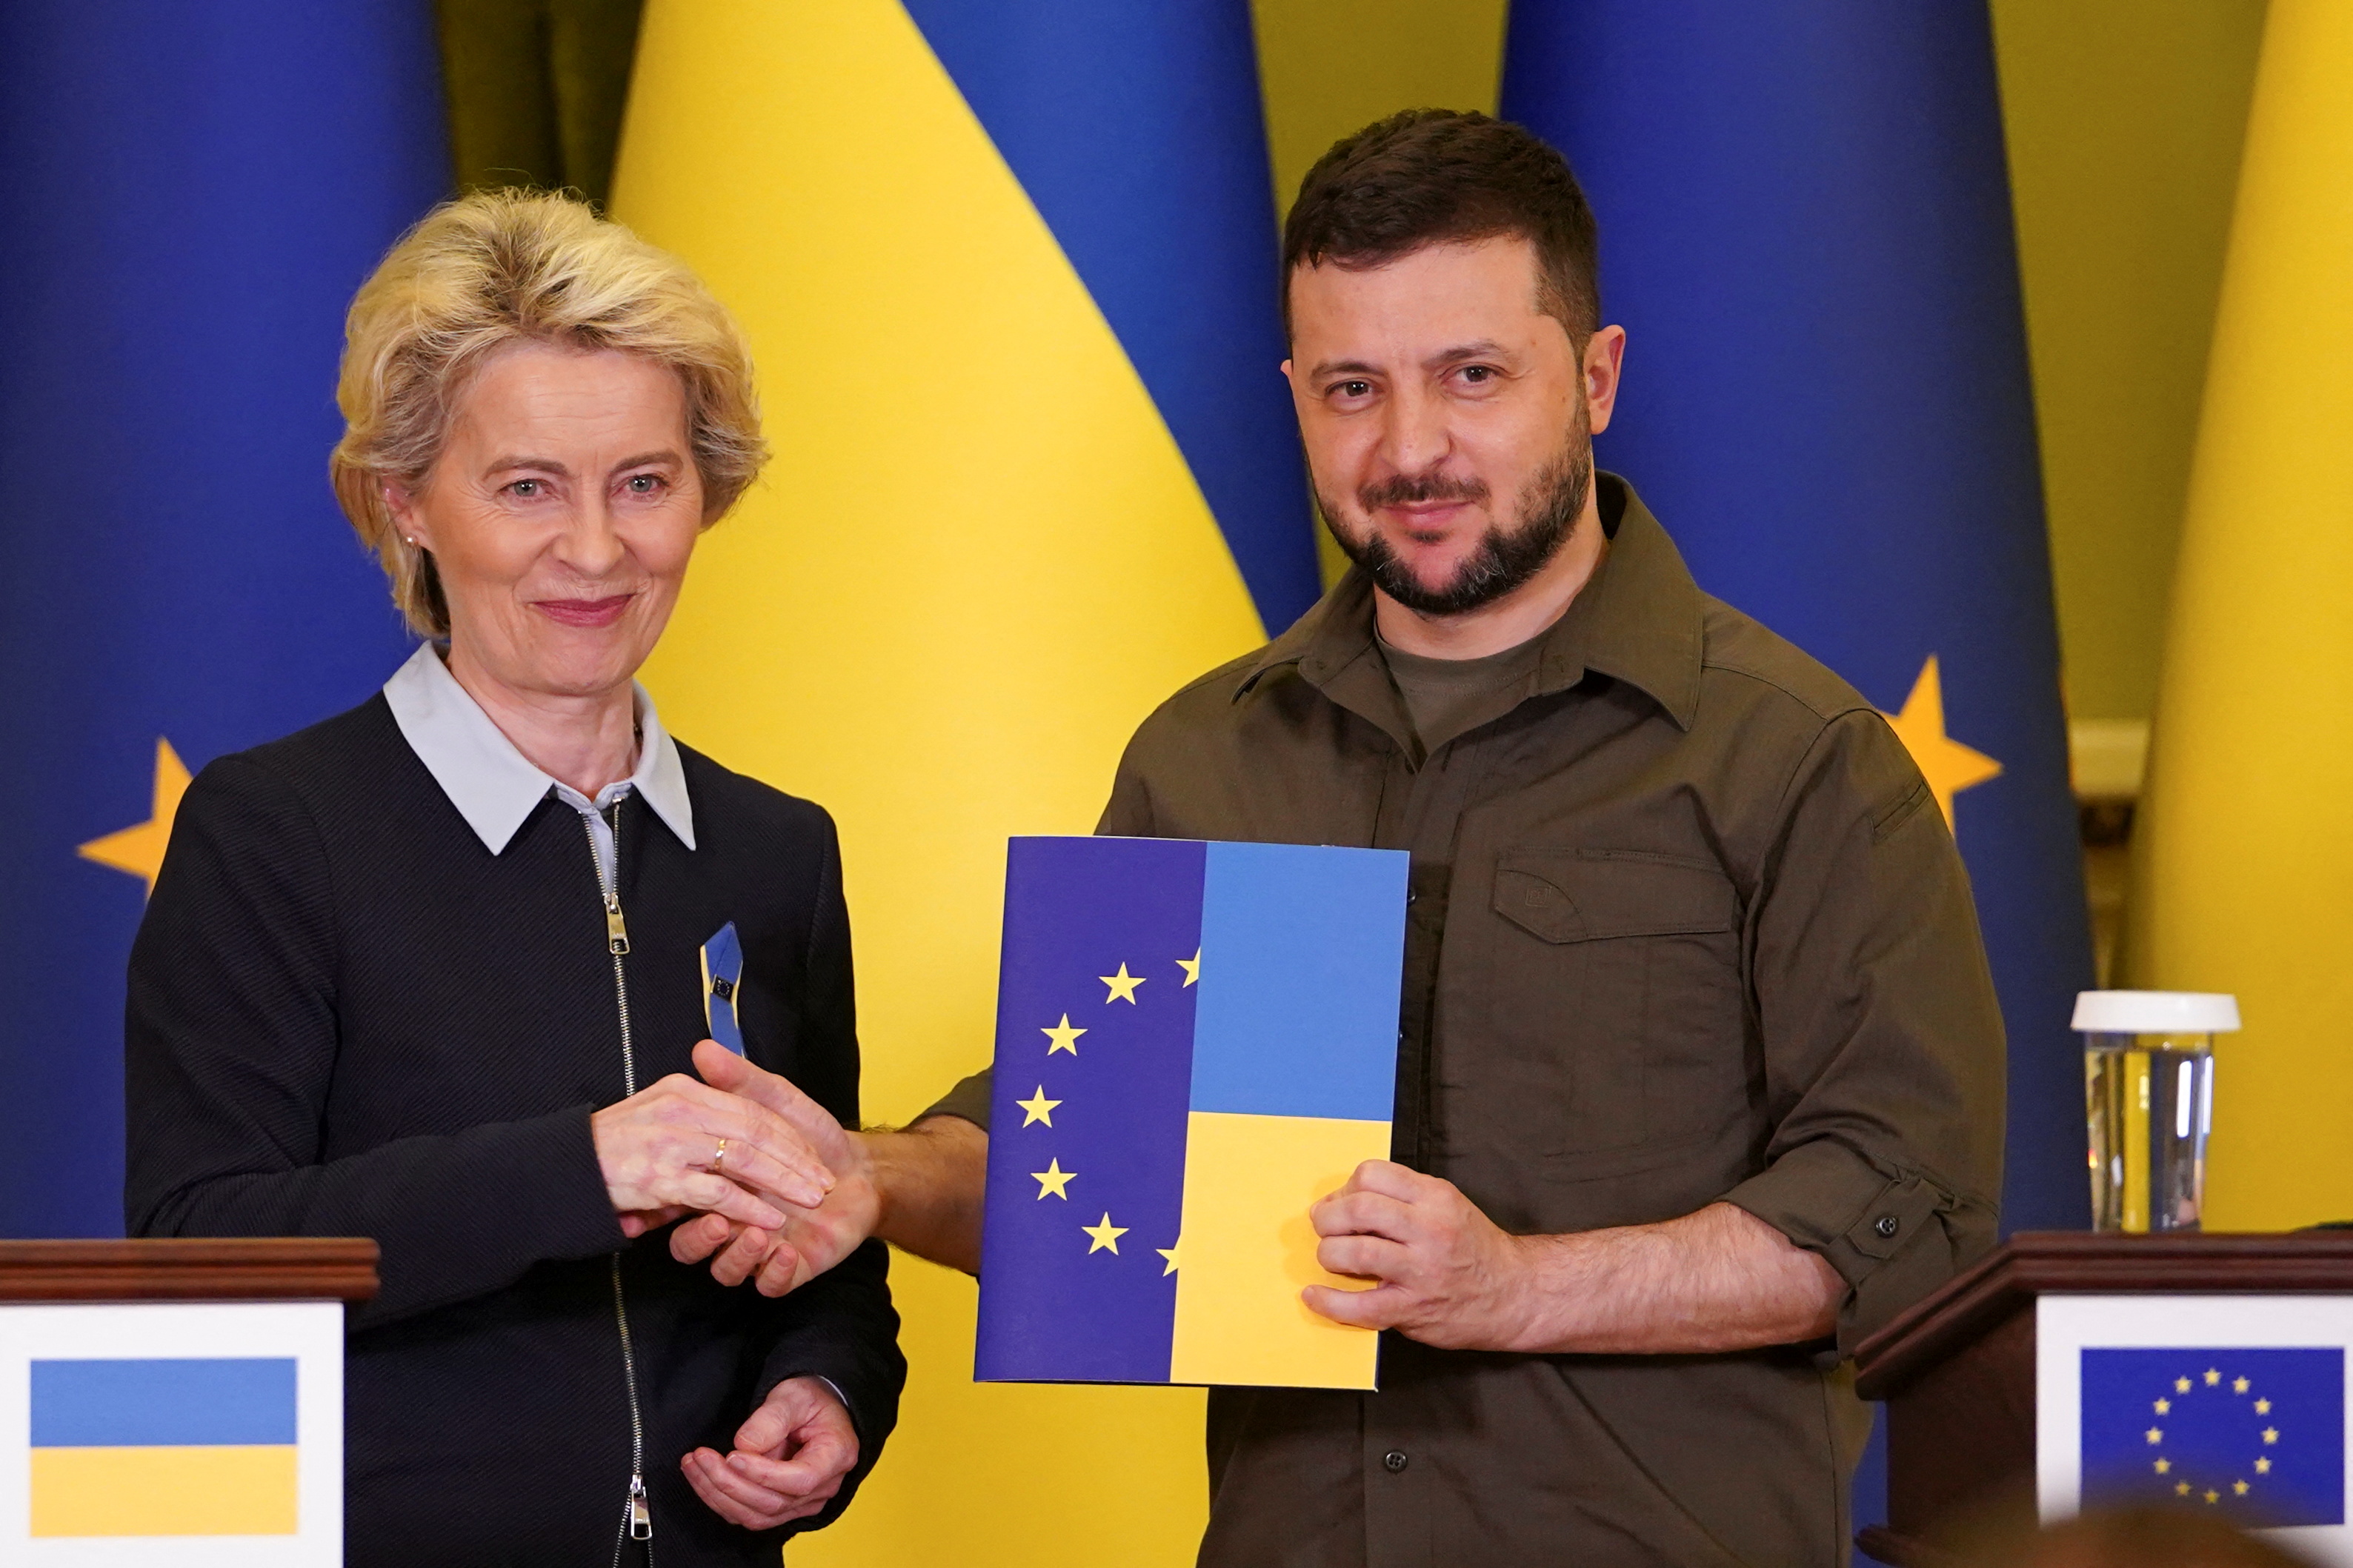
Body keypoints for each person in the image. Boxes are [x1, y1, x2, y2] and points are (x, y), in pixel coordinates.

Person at [677, 110, 2006, 1565]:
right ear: (1295, 394)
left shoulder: (1795, 760)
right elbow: (1090, 1168)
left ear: (1599, 378)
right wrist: (872, 1181)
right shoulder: (1207, 757)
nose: (1411, 447)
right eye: (1353, 389)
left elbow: (1897, 1209)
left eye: (1473, 378)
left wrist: (1513, 1288)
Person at [124, 190, 904, 1565]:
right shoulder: (271, 832)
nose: (597, 550)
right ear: (405, 501)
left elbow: (828, 1233)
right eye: (528, 485)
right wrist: (579, 1167)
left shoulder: (778, 849)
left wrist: (827, 1389)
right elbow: (206, 1255)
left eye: (645, 482)